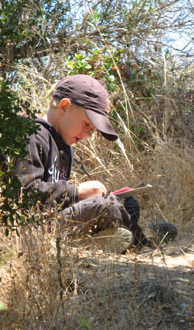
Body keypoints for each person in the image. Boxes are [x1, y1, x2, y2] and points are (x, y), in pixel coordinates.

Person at [14, 74, 146, 253]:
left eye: (91, 130)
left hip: (60, 219)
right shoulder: (31, 133)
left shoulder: (66, 145)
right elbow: (25, 194)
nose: (87, 134)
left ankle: (102, 240)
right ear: (64, 106)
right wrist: (77, 192)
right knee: (107, 205)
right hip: (36, 227)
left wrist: (84, 196)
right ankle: (139, 241)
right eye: (86, 124)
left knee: (129, 204)